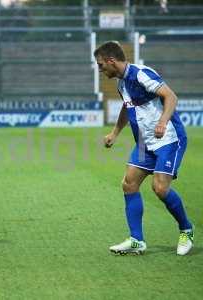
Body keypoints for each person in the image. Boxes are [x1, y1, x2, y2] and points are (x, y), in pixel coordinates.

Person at [94, 41, 194, 256]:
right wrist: (115, 133)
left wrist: (163, 122)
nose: (100, 69)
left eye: (101, 65)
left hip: (168, 138)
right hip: (144, 142)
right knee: (129, 184)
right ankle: (137, 240)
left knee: (160, 188)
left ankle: (186, 229)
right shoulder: (121, 84)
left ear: (111, 61)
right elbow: (126, 107)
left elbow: (171, 96)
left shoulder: (141, 74)